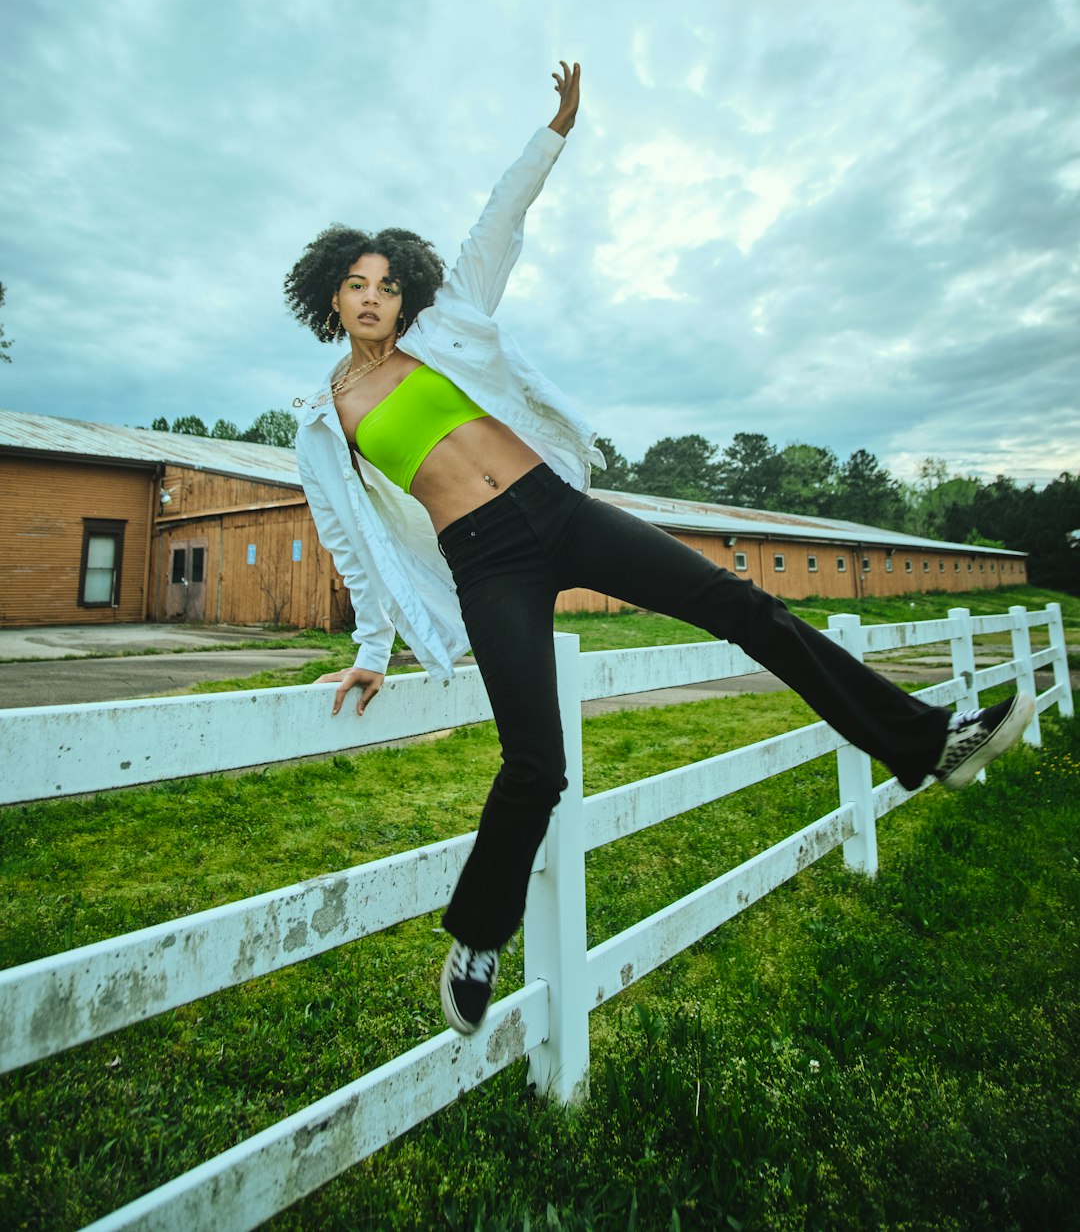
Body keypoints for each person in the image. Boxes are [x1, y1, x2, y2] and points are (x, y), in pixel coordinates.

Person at [287, 61, 1034, 1036]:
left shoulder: (450, 322)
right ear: (331, 302)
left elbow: (495, 222)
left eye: (388, 283)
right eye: (358, 287)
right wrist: (373, 649)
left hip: (557, 510)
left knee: (745, 606)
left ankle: (931, 744)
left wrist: (555, 130)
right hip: (486, 561)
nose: (376, 297)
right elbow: (352, 543)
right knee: (534, 763)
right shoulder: (323, 418)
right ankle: (476, 938)